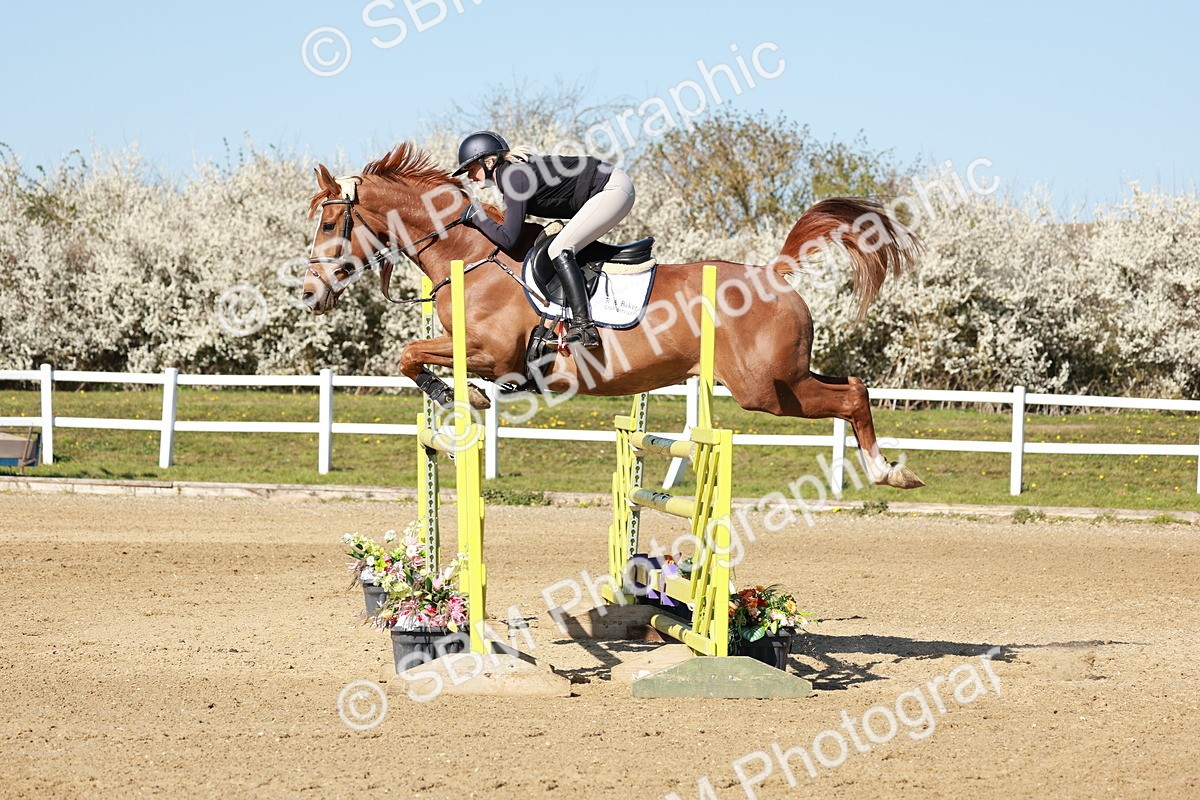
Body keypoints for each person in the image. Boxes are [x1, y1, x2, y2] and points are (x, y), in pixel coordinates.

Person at [452, 130, 636, 347]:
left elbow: (509, 239)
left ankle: (584, 327)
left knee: (559, 250)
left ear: (489, 162)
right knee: (555, 245)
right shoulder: (511, 175)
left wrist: (478, 217)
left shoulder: (513, 177)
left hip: (612, 189)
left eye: (472, 169)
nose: (470, 177)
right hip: (605, 189)